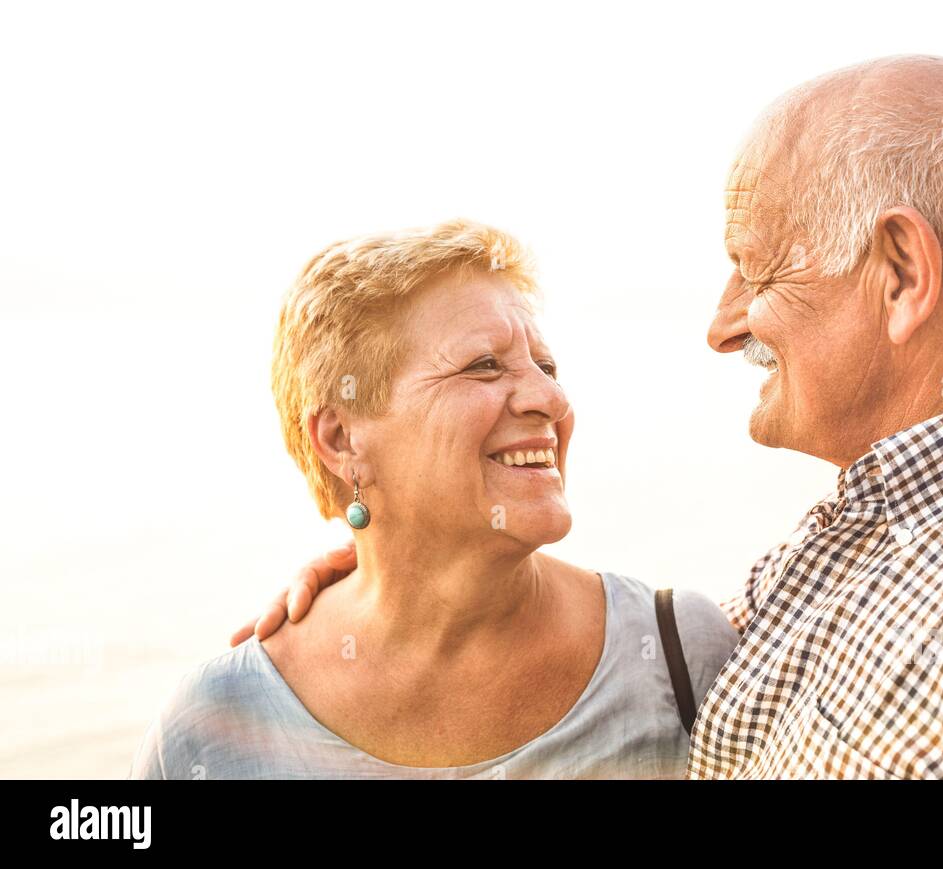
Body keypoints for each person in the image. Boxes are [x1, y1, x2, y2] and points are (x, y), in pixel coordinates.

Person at [243, 56, 943, 779]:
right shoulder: (880, 529)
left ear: (898, 273)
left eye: (752, 267)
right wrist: (405, 582)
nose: (719, 325)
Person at [131, 220, 737, 779]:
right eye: (484, 365)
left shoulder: (680, 654)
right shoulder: (209, 731)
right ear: (342, 439)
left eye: (546, 366)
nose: (549, 399)